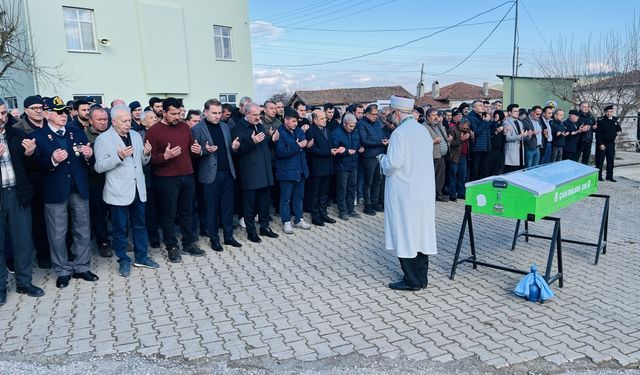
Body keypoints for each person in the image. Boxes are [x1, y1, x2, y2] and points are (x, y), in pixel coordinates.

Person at [32, 96, 99, 289]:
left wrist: (88, 157)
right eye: (58, 112)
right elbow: (35, 167)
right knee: (57, 234)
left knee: (82, 230)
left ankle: (81, 267)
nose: (63, 115)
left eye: (65, 112)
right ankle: (62, 271)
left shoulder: (76, 132)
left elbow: (85, 162)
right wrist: (52, 160)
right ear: (47, 114)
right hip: (55, 191)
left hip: (78, 188)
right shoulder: (39, 136)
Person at [377, 96, 437, 291]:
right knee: (420, 233)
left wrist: (381, 159)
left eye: (390, 114)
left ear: (396, 113)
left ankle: (411, 280)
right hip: (422, 191)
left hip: (404, 191)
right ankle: (422, 277)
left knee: (405, 232)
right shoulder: (423, 131)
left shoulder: (399, 133)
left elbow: (393, 163)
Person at [94, 106, 160, 277]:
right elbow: (99, 167)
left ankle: (142, 257)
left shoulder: (136, 135)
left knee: (140, 225)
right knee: (120, 229)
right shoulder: (103, 139)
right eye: (123, 121)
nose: (128, 124)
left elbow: (141, 163)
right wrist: (119, 157)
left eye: (129, 120)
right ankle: (123, 260)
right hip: (118, 191)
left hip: (138, 189)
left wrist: (146, 154)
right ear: (113, 121)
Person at [144, 97, 205, 263]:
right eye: (173, 114)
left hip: (187, 175)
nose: (177, 117)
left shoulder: (185, 127)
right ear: (163, 112)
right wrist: (165, 156)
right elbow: (148, 159)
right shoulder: (154, 131)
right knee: (168, 215)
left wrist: (197, 150)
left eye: (179, 113)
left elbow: (192, 148)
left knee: (188, 212)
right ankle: (171, 246)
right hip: (166, 179)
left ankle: (188, 243)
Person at [0, 98, 45, 304]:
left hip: (18, 194)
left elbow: (33, 167)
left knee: (23, 241)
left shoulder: (17, 134)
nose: (1, 118)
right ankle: (1, 286)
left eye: (3, 113)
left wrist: (30, 154)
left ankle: (24, 282)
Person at [191, 99, 242, 251]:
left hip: (227, 172)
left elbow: (229, 149)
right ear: (205, 112)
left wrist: (234, 147)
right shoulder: (197, 129)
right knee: (211, 209)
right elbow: (194, 153)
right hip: (209, 175)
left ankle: (228, 237)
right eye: (214, 113)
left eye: (219, 113)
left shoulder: (225, 127)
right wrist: (205, 151)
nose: (217, 116)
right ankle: (214, 239)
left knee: (227, 207)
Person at [12, 95, 51, 268]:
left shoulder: (50, 124)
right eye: (34, 108)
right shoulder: (18, 129)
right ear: (26, 110)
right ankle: (43, 254)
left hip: (53, 176)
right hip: (32, 179)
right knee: (38, 219)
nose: (38, 111)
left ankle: (64, 249)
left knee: (57, 216)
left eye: (40, 107)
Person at [230, 103, 279, 243]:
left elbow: (264, 144)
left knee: (264, 204)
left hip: (265, 172)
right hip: (250, 174)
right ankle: (251, 231)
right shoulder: (237, 129)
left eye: (259, 114)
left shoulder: (260, 125)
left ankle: (264, 228)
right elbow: (237, 152)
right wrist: (252, 141)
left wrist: (272, 140)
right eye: (254, 115)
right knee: (250, 206)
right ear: (246, 114)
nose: (258, 117)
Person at [274, 108, 312, 234]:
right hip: (286, 171)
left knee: (299, 197)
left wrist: (297, 145)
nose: (296, 124)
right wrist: (297, 146)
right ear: (286, 120)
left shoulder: (299, 131)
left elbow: (304, 142)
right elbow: (280, 152)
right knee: (285, 199)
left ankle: (299, 219)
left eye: (297, 121)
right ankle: (286, 222)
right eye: (294, 121)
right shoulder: (279, 132)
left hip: (300, 170)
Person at [84, 107, 111, 257]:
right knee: (99, 213)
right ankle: (103, 242)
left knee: (116, 211)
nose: (103, 122)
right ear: (90, 120)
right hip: (95, 180)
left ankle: (120, 239)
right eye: (99, 120)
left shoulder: (113, 133)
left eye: (105, 119)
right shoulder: (85, 136)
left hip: (113, 178)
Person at [306, 109, 338, 226]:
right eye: (322, 118)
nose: (325, 120)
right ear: (315, 120)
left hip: (328, 167)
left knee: (324, 193)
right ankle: (315, 216)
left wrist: (335, 149)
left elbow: (330, 145)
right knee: (315, 193)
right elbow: (312, 149)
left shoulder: (327, 130)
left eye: (325, 118)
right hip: (317, 167)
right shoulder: (310, 131)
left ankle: (324, 214)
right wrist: (328, 151)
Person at [357, 104, 387, 214]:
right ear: (367, 114)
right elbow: (364, 141)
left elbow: (382, 135)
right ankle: (367, 205)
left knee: (378, 180)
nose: (376, 116)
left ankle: (375, 202)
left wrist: (384, 139)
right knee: (368, 182)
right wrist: (379, 142)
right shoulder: (361, 124)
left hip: (380, 155)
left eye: (377, 114)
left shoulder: (378, 123)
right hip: (369, 156)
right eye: (374, 114)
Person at [331, 114, 362, 220]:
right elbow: (335, 148)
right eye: (350, 126)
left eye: (354, 126)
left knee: (352, 188)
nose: (352, 128)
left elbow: (357, 142)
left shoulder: (355, 132)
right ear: (344, 124)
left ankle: (351, 209)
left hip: (353, 164)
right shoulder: (336, 133)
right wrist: (346, 151)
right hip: (342, 165)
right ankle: (342, 211)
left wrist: (358, 148)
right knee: (342, 189)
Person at [424, 108, 450, 201]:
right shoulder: (424, 127)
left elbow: (443, 136)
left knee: (440, 176)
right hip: (433, 156)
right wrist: (434, 141)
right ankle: (433, 194)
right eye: (433, 115)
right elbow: (423, 142)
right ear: (427, 117)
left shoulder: (438, 125)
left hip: (441, 155)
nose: (436, 117)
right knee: (433, 177)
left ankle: (438, 193)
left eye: (436, 115)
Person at [595, 105, 622, 182]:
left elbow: (619, 128)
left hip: (611, 143)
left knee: (610, 160)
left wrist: (619, 131)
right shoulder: (601, 120)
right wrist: (600, 144)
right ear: (605, 112)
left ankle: (609, 176)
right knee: (600, 161)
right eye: (607, 112)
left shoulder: (614, 119)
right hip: (602, 143)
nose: (609, 113)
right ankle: (599, 176)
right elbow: (598, 134)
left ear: (612, 112)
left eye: (610, 112)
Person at [447, 118, 472, 201]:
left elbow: (470, 141)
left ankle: (461, 193)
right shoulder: (452, 130)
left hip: (464, 156)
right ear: (460, 124)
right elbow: (450, 144)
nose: (466, 129)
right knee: (453, 176)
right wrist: (461, 139)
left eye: (467, 128)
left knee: (462, 176)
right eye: (464, 128)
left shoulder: (467, 129)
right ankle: (452, 194)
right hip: (454, 156)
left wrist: (471, 136)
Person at [503, 104, 526, 173]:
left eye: (518, 111)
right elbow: (507, 138)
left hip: (520, 149)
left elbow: (521, 136)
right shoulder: (506, 122)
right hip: (511, 149)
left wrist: (525, 135)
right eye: (515, 111)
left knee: (519, 171)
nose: (517, 113)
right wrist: (520, 136)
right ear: (509, 112)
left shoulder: (519, 122)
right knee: (510, 171)